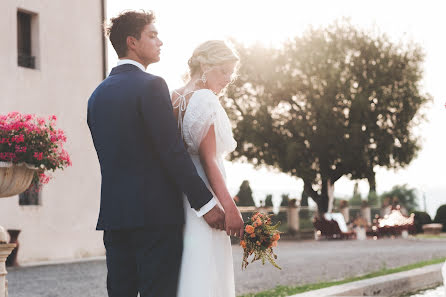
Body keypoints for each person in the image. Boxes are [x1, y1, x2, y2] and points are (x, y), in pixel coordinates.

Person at [87, 11, 226, 297]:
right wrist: (206, 204)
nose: (160, 42)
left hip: (115, 219)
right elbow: (171, 152)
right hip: (156, 218)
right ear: (132, 42)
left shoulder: (97, 95)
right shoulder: (151, 86)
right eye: (152, 35)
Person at [172, 40, 244, 297]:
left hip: (184, 196)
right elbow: (209, 160)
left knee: (191, 263)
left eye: (230, 73)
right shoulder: (204, 99)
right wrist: (231, 208)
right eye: (223, 71)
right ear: (204, 64)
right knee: (208, 266)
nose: (227, 79)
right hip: (208, 197)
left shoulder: (173, 96)